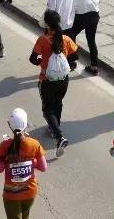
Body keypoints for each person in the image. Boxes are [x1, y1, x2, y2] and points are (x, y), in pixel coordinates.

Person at [29, 9, 79, 156]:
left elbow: (33, 59)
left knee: (47, 108)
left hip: (47, 80)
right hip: (63, 80)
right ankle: (55, 126)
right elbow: (75, 56)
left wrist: (42, 63)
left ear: (46, 24)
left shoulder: (43, 40)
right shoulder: (66, 39)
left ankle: (59, 136)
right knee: (58, 102)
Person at [0, 108, 48, 219]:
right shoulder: (34, 144)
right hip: (30, 191)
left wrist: (5, 160)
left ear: (10, 126)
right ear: (26, 124)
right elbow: (43, 167)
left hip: (11, 194)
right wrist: (32, 162)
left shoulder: (4, 145)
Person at [69, 0, 103, 75]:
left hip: (81, 16)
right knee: (91, 41)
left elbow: (72, 4)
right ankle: (94, 67)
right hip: (94, 16)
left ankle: (72, 59)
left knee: (70, 34)